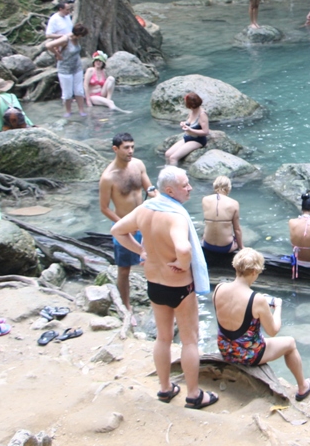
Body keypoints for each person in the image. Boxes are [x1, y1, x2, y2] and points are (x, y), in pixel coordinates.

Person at [111, 166, 215, 409]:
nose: (190, 188)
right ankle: (193, 394)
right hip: (178, 286)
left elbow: (117, 231)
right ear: (170, 190)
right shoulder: (176, 217)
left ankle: (165, 389)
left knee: (163, 337)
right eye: (185, 185)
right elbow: (184, 248)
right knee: (190, 341)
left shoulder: (145, 209)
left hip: (154, 283)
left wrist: (141, 251)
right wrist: (182, 263)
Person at [213, 248, 310, 401]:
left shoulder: (219, 288)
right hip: (248, 354)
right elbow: (273, 331)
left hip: (225, 349)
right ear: (254, 272)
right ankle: (302, 388)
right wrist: (278, 307)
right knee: (290, 344)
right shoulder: (257, 300)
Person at [98, 132, 155, 316]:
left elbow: (150, 188)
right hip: (125, 227)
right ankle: (126, 307)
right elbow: (104, 208)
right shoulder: (108, 177)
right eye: (126, 148)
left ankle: (157, 301)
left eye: (132, 146)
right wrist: (123, 225)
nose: (130, 151)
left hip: (145, 223)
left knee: (153, 261)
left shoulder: (138, 165)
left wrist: (161, 198)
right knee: (124, 269)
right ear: (115, 149)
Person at [201, 176, 243, 268]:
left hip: (207, 245)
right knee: (235, 239)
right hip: (226, 248)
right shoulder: (234, 203)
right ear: (229, 188)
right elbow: (237, 230)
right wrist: (241, 248)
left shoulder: (205, 200)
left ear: (214, 186)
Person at [48, 23, 89, 117]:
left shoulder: (76, 39)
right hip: (65, 69)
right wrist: (58, 55)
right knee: (68, 93)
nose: (81, 38)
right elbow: (48, 45)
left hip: (77, 67)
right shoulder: (66, 39)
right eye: (81, 36)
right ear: (77, 34)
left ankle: (81, 110)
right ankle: (68, 111)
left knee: (79, 90)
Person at [164, 92, 209, 165]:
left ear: (190, 105)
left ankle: (174, 175)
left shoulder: (202, 115)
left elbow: (206, 132)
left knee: (173, 158)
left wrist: (190, 130)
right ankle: (166, 171)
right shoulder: (191, 111)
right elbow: (189, 122)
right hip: (188, 137)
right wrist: (184, 123)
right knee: (167, 154)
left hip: (198, 140)